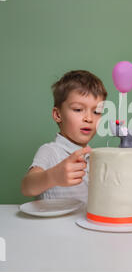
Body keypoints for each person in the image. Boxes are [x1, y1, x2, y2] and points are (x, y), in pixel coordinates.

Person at [21, 70, 107, 203]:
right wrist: (52, 176)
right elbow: (27, 187)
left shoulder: (93, 157)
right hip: (55, 224)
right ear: (58, 115)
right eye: (78, 109)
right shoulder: (51, 151)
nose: (89, 118)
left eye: (97, 112)